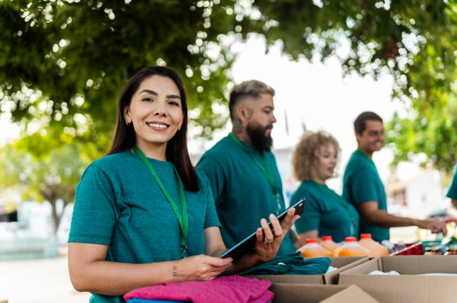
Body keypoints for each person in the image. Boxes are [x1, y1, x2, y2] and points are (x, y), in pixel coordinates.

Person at [67, 66, 299, 303]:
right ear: (127, 112)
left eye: (172, 103)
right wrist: (178, 271)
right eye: (148, 99)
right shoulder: (103, 174)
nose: (161, 111)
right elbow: (82, 275)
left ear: (181, 119)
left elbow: (214, 256)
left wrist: (257, 256)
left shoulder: (199, 180)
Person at [197, 80, 297, 256]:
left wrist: (296, 242)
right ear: (243, 113)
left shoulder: (267, 154)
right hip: (250, 275)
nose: (274, 118)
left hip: (288, 262)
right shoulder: (215, 161)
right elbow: (198, 225)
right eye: (267, 111)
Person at [342, 111, 447, 242]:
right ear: (358, 135)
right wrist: (419, 222)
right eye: (373, 133)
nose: (380, 138)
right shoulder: (361, 166)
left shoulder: (364, 161)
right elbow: (371, 214)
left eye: (382, 132)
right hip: (370, 247)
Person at [291, 131, 359, 244]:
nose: (333, 161)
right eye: (326, 156)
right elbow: (309, 241)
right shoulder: (305, 193)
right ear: (309, 160)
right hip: (333, 260)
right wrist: (342, 250)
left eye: (335, 156)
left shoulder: (330, 192)